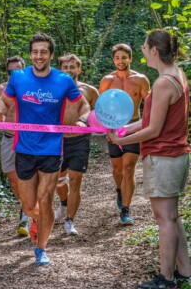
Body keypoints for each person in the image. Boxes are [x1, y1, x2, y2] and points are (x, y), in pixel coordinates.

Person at [0, 33, 90, 266]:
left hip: (52, 149)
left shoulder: (63, 80)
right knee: (29, 205)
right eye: (35, 52)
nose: (39, 56)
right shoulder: (19, 78)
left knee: (45, 201)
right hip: (24, 148)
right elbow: (4, 102)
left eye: (44, 52)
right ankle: (35, 220)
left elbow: (83, 105)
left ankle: (41, 249)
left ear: (51, 55)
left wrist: (83, 121)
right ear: (30, 54)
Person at [108, 29, 191, 289]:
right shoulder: (176, 74)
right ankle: (185, 272)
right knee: (173, 217)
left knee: (164, 218)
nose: (143, 50)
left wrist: (121, 141)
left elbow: (154, 130)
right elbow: (151, 121)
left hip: (164, 156)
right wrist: (124, 129)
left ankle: (166, 280)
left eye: (144, 47)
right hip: (174, 155)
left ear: (154, 51)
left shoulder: (163, 82)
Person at [99, 43, 150, 225]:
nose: (121, 61)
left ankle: (126, 210)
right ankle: (120, 190)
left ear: (131, 58)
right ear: (114, 60)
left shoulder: (141, 79)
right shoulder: (107, 80)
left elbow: (149, 106)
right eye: (117, 58)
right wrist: (106, 128)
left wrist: (144, 127)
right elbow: (100, 108)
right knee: (117, 168)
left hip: (132, 127)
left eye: (124, 57)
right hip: (113, 127)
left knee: (129, 168)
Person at [54, 54, 99, 235]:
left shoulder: (90, 91)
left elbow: (98, 113)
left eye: (72, 67)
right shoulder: (53, 89)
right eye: (65, 67)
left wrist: (88, 122)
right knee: (57, 180)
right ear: (60, 70)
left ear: (78, 70)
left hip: (80, 139)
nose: (69, 70)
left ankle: (69, 221)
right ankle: (63, 203)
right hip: (56, 139)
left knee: (75, 180)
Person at [0, 56, 30, 236]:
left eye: (17, 71)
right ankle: (28, 206)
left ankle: (27, 216)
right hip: (9, 138)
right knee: (13, 181)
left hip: (29, 139)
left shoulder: (33, 87)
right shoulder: (0, 89)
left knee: (26, 179)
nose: (14, 74)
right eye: (10, 71)